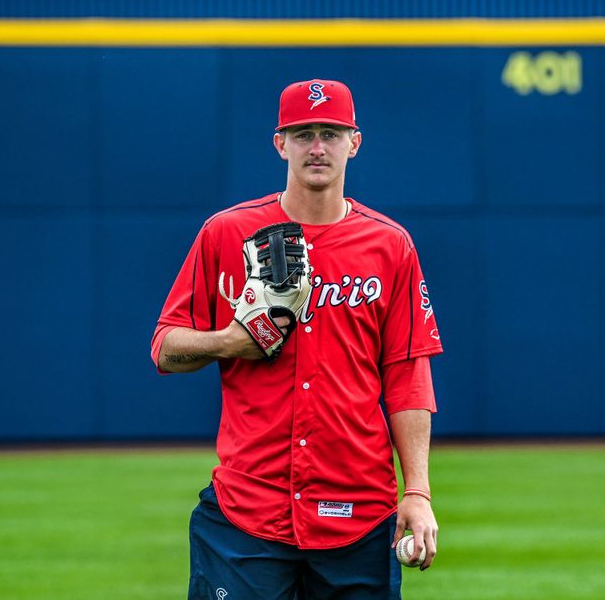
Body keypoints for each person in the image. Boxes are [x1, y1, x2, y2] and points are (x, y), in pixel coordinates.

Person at [152, 79, 443, 600]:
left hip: (357, 511)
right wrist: (229, 341)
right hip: (248, 510)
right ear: (279, 143)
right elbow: (165, 348)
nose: (317, 147)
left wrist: (417, 491)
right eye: (303, 133)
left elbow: (407, 376)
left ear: (354, 142)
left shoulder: (390, 245)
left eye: (331, 133)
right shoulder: (226, 233)